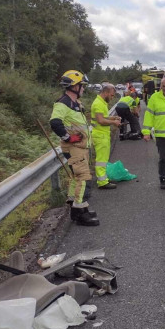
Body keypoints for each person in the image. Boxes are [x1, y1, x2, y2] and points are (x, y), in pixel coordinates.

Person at [49, 70, 99, 226]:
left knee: (76, 179)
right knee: (84, 178)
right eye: (81, 85)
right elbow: (55, 123)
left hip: (80, 148)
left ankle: (76, 209)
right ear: (73, 86)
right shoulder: (63, 103)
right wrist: (68, 137)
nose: (83, 88)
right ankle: (80, 212)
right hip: (74, 148)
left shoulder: (75, 103)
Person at [90, 84, 122, 190]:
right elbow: (101, 120)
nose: (112, 97)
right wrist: (114, 122)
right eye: (112, 95)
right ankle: (102, 182)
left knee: (103, 159)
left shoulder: (101, 102)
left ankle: (104, 178)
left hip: (102, 134)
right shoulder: (98, 103)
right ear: (106, 92)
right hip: (100, 135)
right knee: (101, 160)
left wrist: (113, 117)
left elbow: (103, 117)